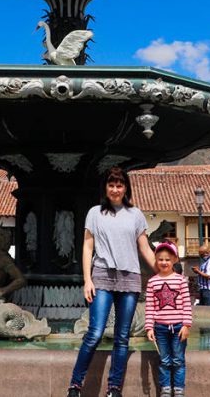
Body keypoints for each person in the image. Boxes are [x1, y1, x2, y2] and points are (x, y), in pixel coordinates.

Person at [66, 168, 156, 397]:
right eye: (111, 185)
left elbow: (144, 247)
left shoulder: (135, 214)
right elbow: (88, 246)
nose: (115, 189)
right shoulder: (95, 213)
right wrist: (87, 279)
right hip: (102, 275)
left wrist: (163, 270)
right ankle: (75, 386)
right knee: (94, 333)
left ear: (126, 188)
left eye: (119, 185)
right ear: (105, 188)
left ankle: (114, 388)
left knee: (122, 336)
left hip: (130, 278)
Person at [145, 242, 192, 397]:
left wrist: (186, 325)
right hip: (160, 328)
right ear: (156, 260)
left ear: (174, 260)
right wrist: (149, 327)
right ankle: (165, 389)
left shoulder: (181, 280)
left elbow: (186, 303)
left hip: (179, 327)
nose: (164, 262)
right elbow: (150, 306)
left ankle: (178, 390)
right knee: (164, 360)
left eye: (167, 259)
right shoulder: (152, 282)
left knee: (178, 360)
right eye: (160, 259)